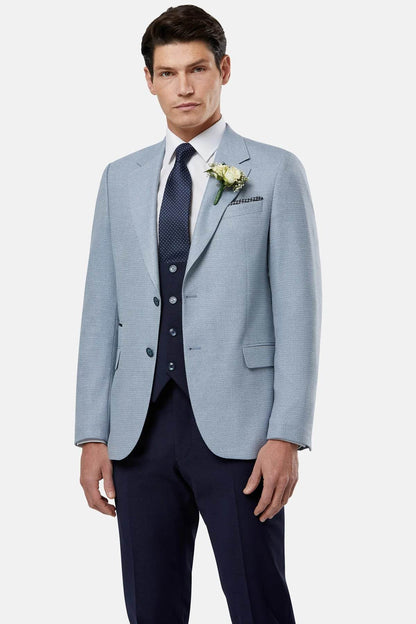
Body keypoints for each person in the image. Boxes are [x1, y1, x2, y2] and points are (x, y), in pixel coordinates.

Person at [74, 5, 322, 623]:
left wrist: (286, 433)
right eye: (168, 73)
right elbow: (100, 310)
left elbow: (299, 312)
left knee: (259, 605)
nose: (183, 87)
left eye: (198, 69)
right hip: (139, 431)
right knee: (150, 609)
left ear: (224, 70)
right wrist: (93, 432)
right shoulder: (120, 177)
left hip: (243, 431)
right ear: (149, 80)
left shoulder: (274, 170)